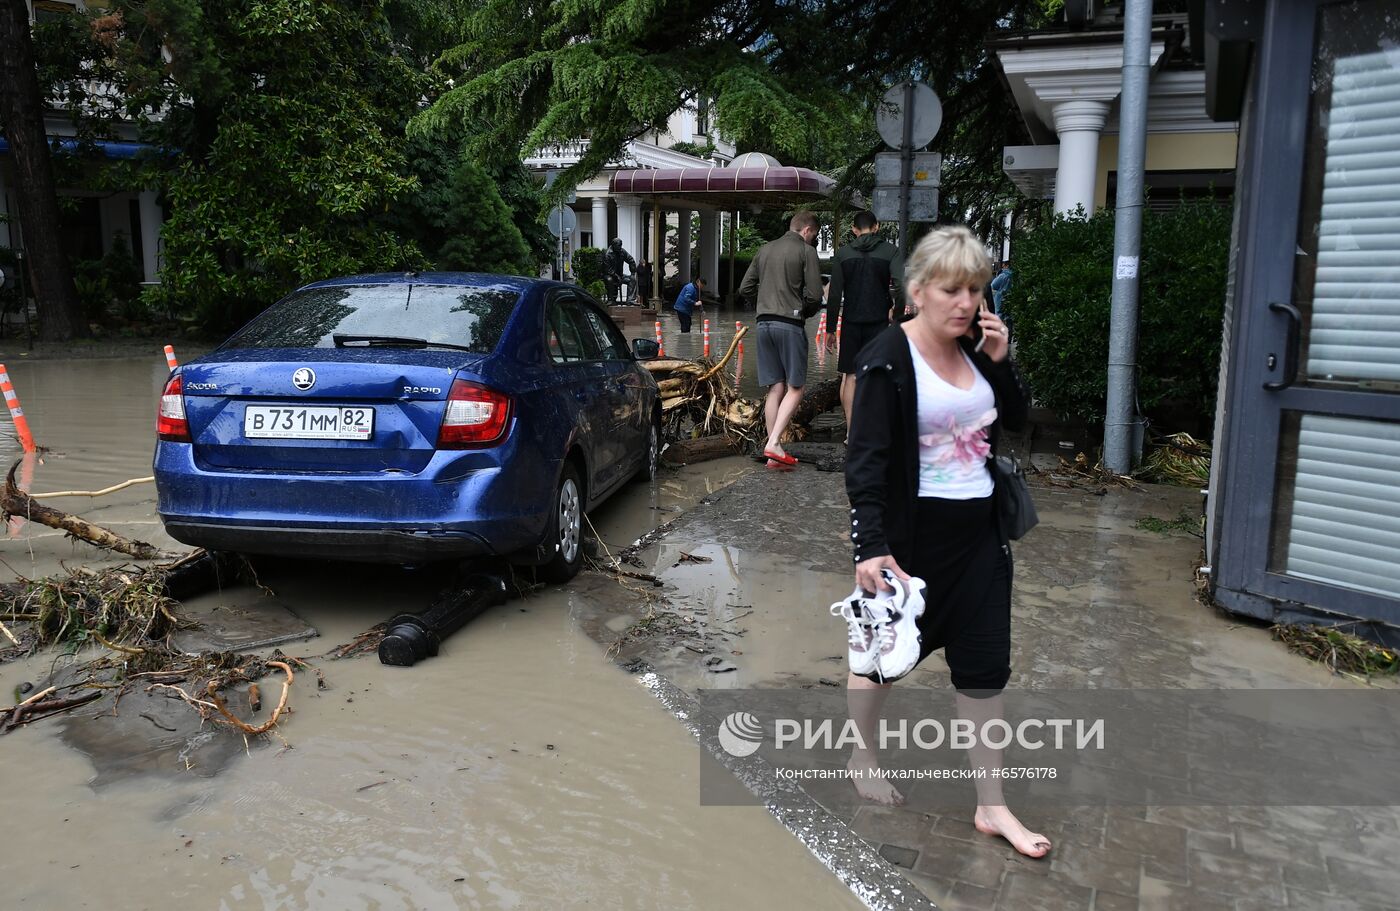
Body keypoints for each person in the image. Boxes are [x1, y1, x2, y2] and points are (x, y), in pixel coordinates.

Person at [840, 225, 1050, 859]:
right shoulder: (885, 356)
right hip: (909, 546)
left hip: (981, 543)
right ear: (918, 291)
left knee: (984, 675)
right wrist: (869, 548)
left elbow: (1014, 421)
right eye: (953, 289)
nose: (967, 302)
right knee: (880, 666)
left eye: (976, 290)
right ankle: (862, 754)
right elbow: (865, 462)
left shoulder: (976, 349)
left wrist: (1002, 360)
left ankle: (992, 804)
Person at [738, 211, 823, 467]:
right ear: (807, 230)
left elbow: (745, 288)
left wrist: (763, 304)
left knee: (775, 387)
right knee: (796, 388)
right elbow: (816, 295)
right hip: (789, 324)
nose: (813, 240)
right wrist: (803, 310)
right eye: (815, 236)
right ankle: (774, 442)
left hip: (763, 324)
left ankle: (772, 448)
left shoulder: (765, 249)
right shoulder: (806, 252)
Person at [826, 210, 902, 434]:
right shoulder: (890, 251)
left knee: (850, 375)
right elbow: (901, 286)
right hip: (879, 322)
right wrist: (896, 313)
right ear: (877, 227)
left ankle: (852, 432)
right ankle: (875, 428)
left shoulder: (843, 253)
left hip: (850, 321)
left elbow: (834, 295)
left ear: (854, 229)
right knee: (879, 374)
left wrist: (830, 328)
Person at [603, 238, 637, 304]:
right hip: (609, 275)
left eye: (621, 245)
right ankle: (611, 299)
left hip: (620, 275)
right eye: (618, 246)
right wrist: (616, 276)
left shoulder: (622, 251)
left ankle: (630, 300)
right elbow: (607, 269)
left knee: (632, 279)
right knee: (609, 280)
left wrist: (633, 272)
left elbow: (631, 260)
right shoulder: (607, 254)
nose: (620, 247)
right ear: (613, 245)